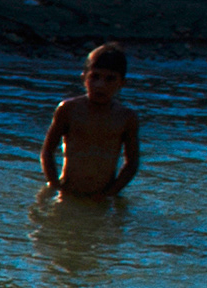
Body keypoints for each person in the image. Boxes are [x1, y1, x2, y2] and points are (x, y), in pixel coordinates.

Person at [40, 42, 142, 198]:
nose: (100, 85)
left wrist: (110, 193)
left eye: (110, 79)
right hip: (66, 189)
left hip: (103, 194)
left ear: (122, 83)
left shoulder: (126, 117)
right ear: (84, 78)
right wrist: (56, 185)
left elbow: (132, 163)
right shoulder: (68, 109)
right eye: (94, 77)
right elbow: (47, 151)